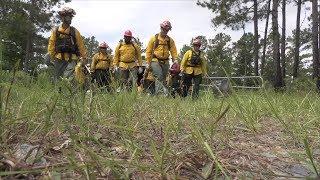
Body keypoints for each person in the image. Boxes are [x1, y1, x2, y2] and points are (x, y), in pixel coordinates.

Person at [47, 7, 87, 86]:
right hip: (58, 59)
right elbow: (51, 45)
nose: (70, 19)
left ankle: (70, 95)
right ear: (62, 17)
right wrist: (50, 57)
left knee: (67, 78)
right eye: (68, 17)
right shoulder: (56, 31)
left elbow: (81, 46)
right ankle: (58, 96)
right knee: (57, 80)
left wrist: (84, 58)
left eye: (71, 17)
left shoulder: (75, 31)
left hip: (71, 59)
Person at [145, 20, 178, 95]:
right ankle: (160, 95)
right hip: (155, 60)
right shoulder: (154, 38)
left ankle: (159, 93)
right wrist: (147, 62)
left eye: (167, 30)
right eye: (164, 29)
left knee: (163, 79)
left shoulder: (170, 40)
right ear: (161, 28)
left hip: (166, 61)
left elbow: (173, 51)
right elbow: (148, 51)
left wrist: (175, 60)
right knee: (159, 76)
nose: (165, 31)